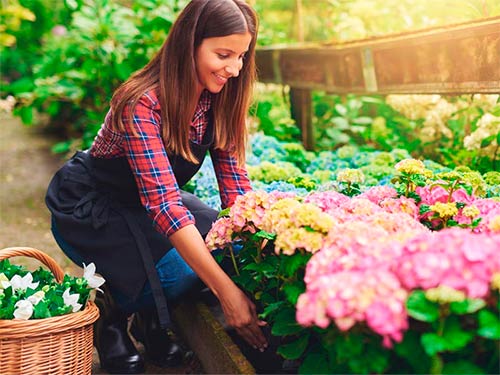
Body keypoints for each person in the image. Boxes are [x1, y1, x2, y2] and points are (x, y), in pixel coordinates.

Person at [45, 0, 268, 373]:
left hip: (146, 202)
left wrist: (260, 245)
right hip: (94, 205)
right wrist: (227, 294)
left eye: (242, 55)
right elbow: (164, 205)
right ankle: (109, 310)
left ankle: (150, 317)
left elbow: (236, 191)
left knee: (223, 243)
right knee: (181, 272)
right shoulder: (142, 102)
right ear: (190, 44)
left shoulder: (222, 98)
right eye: (223, 54)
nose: (235, 68)